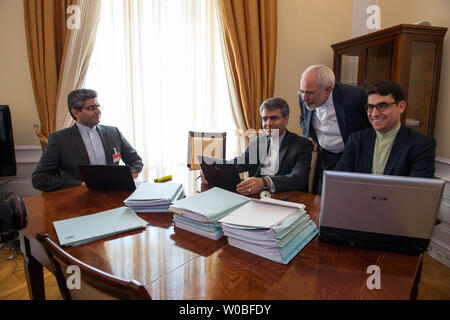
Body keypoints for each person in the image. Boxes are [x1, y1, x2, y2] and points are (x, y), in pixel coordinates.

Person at [32, 89, 143, 192]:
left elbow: (136, 161)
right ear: (76, 112)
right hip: (79, 201)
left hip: (115, 196)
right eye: (91, 108)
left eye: (98, 106)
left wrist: (126, 176)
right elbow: (40, 179)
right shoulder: (59, 140)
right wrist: (80, 185)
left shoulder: (113, 132)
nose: (98, 111)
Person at [202, 97, 312, 195]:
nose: (268, 123)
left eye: (274, 118)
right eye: (265, 119)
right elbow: (239, 163)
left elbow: (299, 178)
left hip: (288, 198)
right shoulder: (257, 142)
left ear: (286, 119)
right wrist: (214, 172)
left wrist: (265, 182)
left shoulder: (302, 145)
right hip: (256, 197)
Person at [335, 80, 436, 177]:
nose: (374, 114)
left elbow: (418, 190)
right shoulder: (356, 140)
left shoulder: (422, 145)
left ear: (401, 107)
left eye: (382, 106)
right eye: (370, 107)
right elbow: (339, 180)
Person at [299, 65, 371, 192]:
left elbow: (373, 123)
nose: (304, 98)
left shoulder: (356, 97)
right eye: (302, 91)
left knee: (353, 197)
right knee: (326, 197)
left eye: (309, 93)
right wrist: (309, 135)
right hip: (328, 156)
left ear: (327, 90)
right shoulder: (304, 97)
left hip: (354, 157)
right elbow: (303, 118)